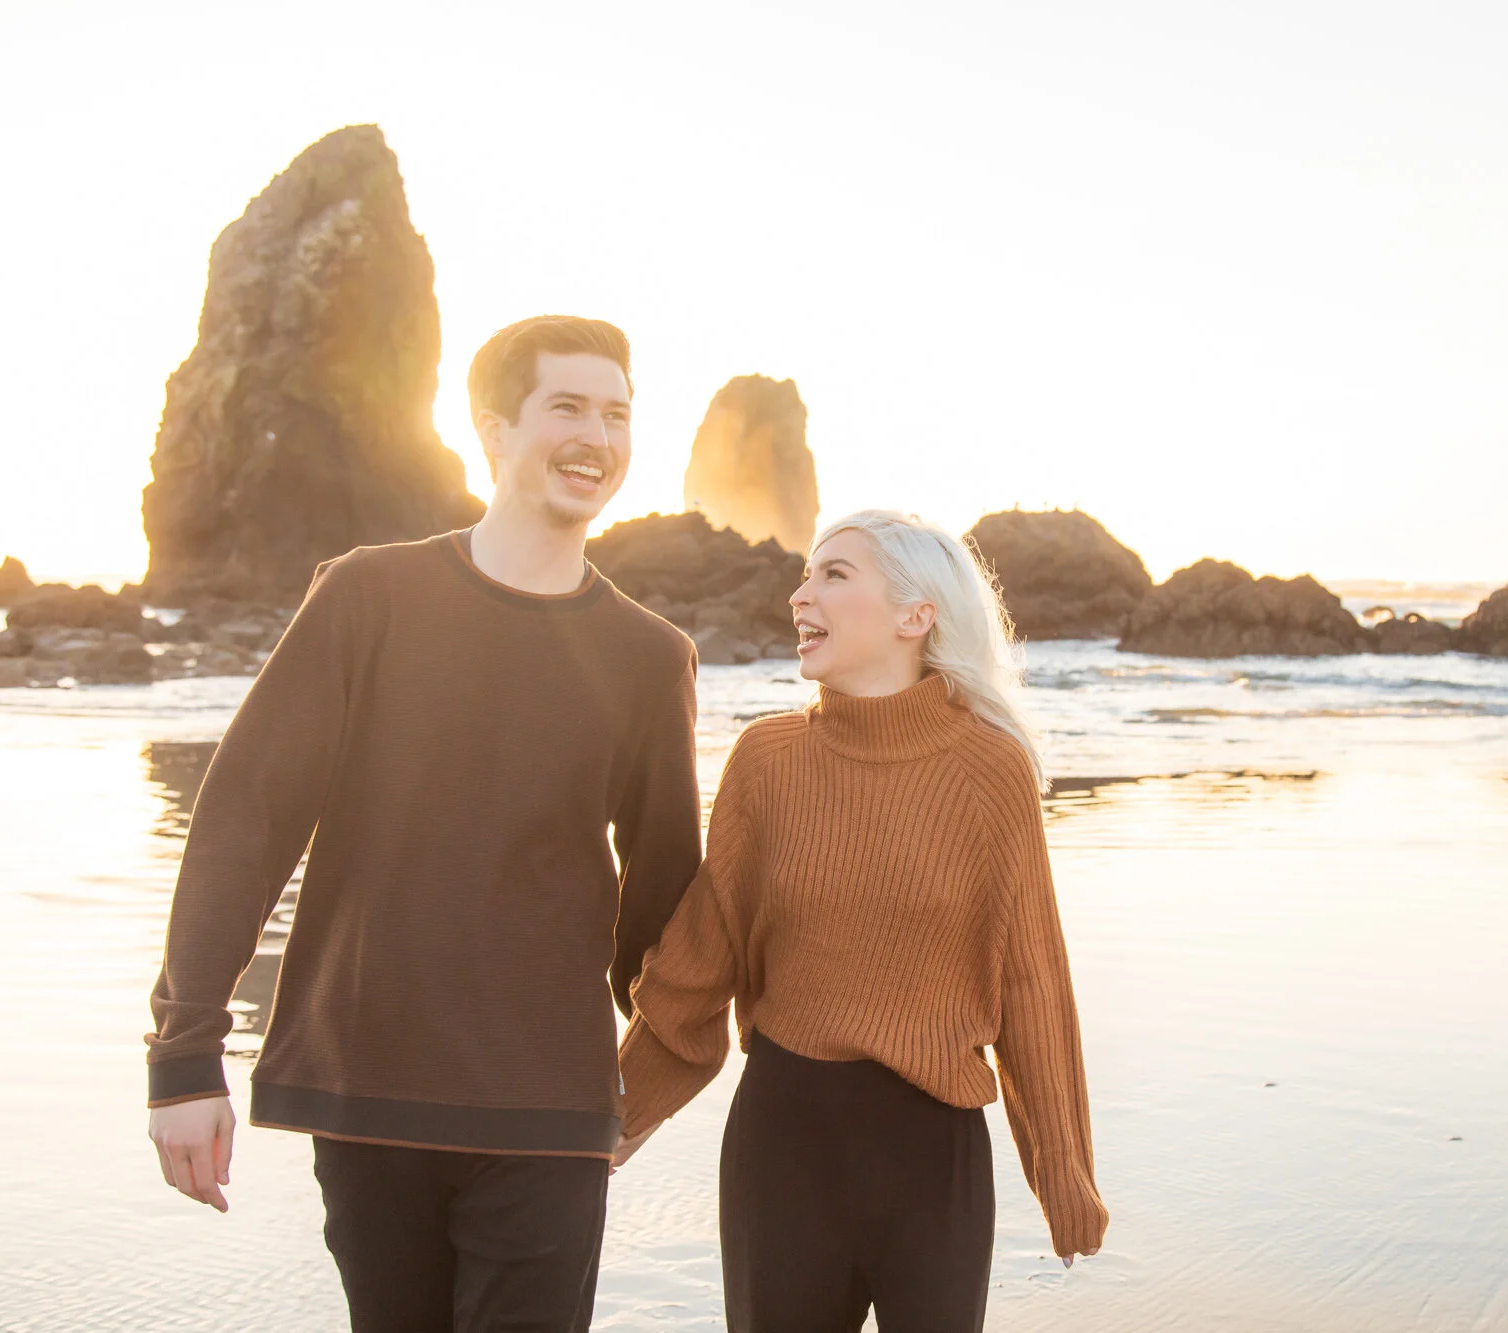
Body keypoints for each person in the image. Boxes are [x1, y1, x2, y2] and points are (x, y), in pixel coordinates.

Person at [143, 315, 702, 1333]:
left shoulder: (646, 656)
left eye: (617, 414)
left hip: (547, 1109)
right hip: (368, 1089)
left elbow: (664, 903)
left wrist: (652, 1078)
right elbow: (246, 820)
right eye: (566, 407)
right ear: (491, 429)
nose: (597, 436)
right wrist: (184, 1053)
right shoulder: (368, 597)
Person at [612, 510, 1108, 1332]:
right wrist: (625, 1108)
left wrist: (1063, 1170)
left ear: (918, 614)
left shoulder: (992, 770)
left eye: (834, 574)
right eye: (805, 574)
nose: (800, 594)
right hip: (785, 1145)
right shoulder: (766, 761)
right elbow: (703, 959)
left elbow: (1031, 977)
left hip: (932, 1159)